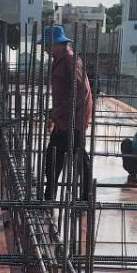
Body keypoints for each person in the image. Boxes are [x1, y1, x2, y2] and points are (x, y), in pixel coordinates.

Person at [43, 24, 93, 201]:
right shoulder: (60, 61)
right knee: (53, 157)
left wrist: (57, 112)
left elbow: (80, 92)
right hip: (64, 120)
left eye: (48, 45)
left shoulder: (70, 61)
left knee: (78, 158)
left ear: (58, 44)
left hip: (74, 120)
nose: (45, 49)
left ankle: (85, 198)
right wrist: (55, 115)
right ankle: (49, 195)